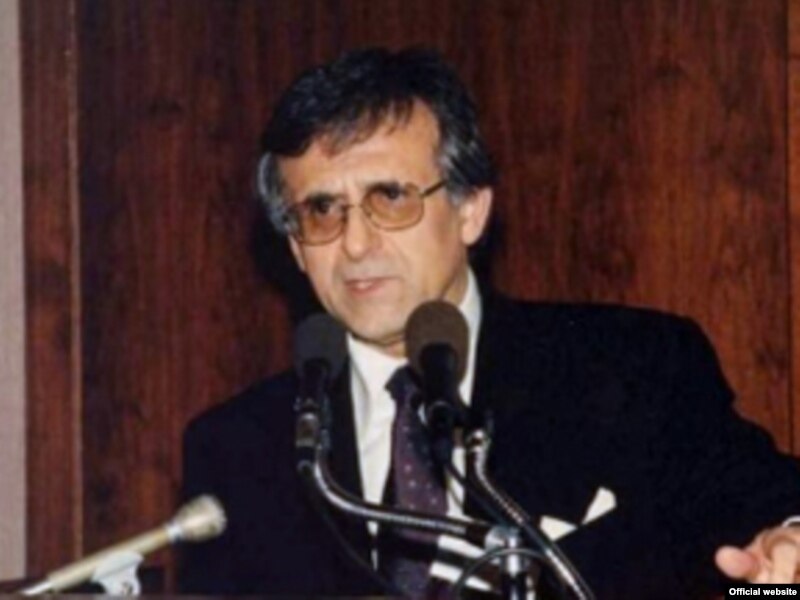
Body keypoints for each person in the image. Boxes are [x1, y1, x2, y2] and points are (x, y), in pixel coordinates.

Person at [180, 47, 800, 598]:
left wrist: (776, 579)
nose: (356, 244)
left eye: (390, 198)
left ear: (471, 209)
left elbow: (766, 542)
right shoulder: (238, 449)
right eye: (321, 210)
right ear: (295, 247)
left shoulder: (634, 367)